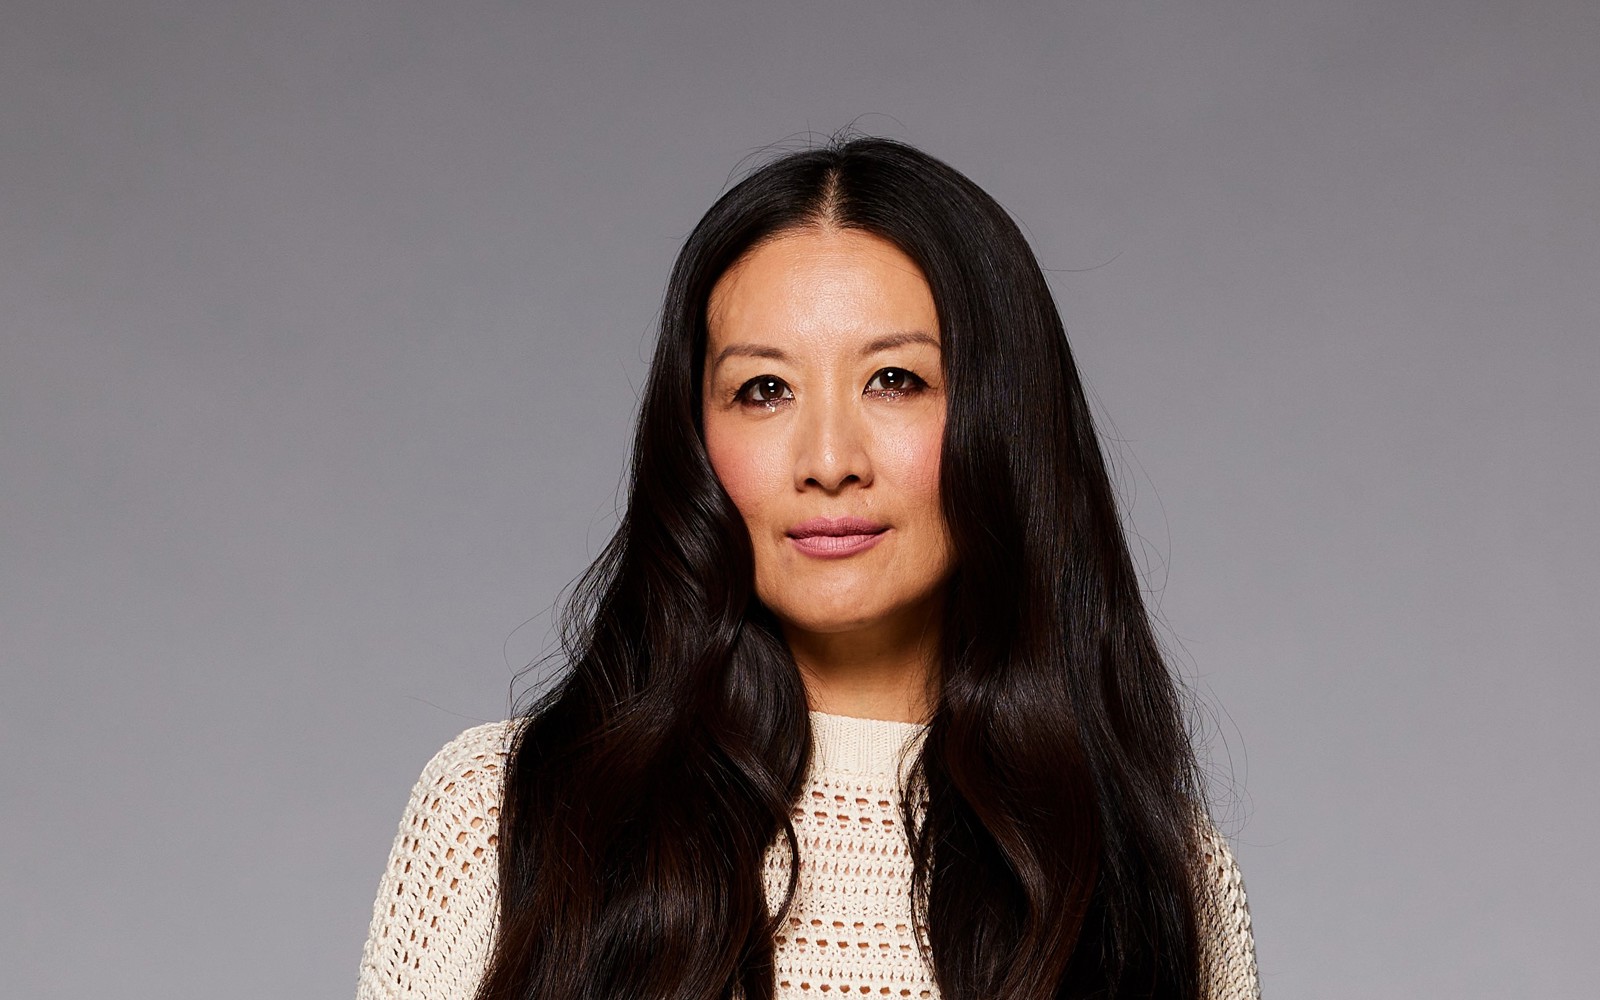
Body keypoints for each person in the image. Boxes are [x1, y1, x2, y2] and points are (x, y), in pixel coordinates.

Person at [355, 136, 1261, 1000]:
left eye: (895, 381)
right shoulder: (503, 817)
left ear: (1004, 420)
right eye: (765, 390)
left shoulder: (1163, 876)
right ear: (697, 441)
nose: (829, 459)